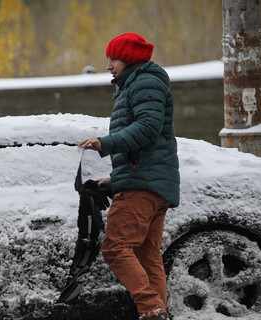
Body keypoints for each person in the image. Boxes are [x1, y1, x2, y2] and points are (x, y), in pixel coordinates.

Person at [78, 32, 180, 320]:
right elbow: (151, 142)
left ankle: (152, 310)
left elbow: (148, 128)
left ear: (130, 59)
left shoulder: (144, 82)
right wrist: (116, 176)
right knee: (147, 256)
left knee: (116, 247)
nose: (108, 65)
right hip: (149, 183)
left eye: (113, 58)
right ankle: (158, 313)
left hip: (143, 188)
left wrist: (105, 143)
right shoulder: (136, 84)